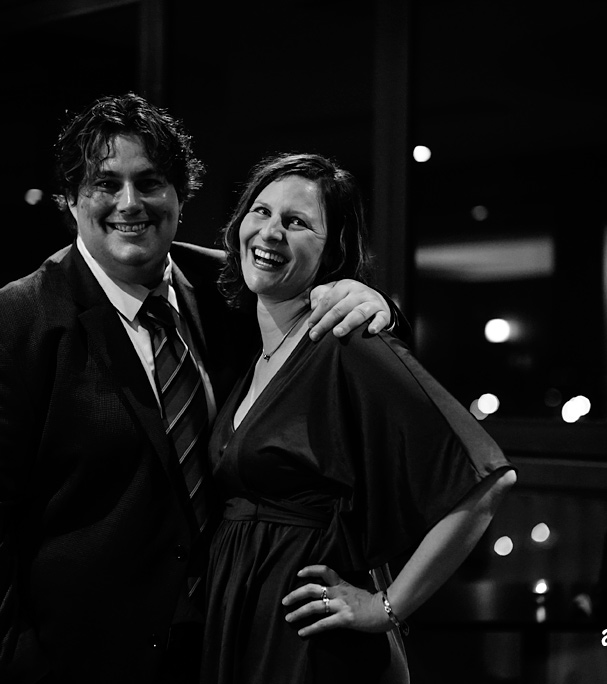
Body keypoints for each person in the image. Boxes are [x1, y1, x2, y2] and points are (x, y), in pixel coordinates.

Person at [0, 94, 395, 684]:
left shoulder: (229, 288)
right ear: (70, 199)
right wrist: (15, 663)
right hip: (71, 661)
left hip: (216, 650)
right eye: (105, 183)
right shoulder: (10, 325)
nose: (129, 203)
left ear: (180, 194)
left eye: (149, 182)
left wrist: (371, 301)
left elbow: (316, 300)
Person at [202, 153, 517, 684]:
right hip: (241, 619)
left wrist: (385, 607)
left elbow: (487, 479)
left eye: (297, 222)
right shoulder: (254, 352)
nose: (271, 232)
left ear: (333, 252)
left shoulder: (348, 341)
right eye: (261, 211)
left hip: (307, 637)